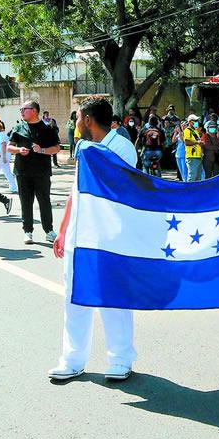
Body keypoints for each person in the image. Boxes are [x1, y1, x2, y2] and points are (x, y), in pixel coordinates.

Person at [48, 98, 139, 382]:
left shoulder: (120, 147)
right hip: (80, 235)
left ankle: (121, 358)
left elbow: (120, 191)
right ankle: (72, 359)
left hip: (110, 238)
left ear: (87, 120)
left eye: (77, 118)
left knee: (113, 297)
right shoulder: (85, 149)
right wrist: (64, 229)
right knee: (74, 296)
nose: (75, 124)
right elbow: (76, 192)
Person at [8, 100, 61, 244]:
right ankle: (28, 231)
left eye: (24, 109)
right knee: (25, 202)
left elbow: (57, 148)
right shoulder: (18, 127)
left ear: (34, 111)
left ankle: (49, 230)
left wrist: (42, 150)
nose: (21, 111)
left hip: (42, 171)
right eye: (21, 109)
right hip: (22, 171)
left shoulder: (47, 128)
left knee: (44, 201)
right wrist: (18, 150)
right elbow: (9, 147)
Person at [0, 118, 18, 193]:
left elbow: (3, 145)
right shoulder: (3, 134)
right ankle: (13, 186)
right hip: (5, 156)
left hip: (3, 156)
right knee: (6, 172)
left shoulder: (1, 135)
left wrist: (3, 156)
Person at [182, 115, 205, 182]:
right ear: (189, 122)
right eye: (195, 121)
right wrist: (197, 142)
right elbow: (186, 142)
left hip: (198, 156)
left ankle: (195, 189)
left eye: (197, 120)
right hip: (192, 157)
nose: (196, 122)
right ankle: (188, 189)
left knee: (198, 177)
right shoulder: (187, 130)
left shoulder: (195, 131)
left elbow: (197, 142)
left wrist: (201, 143)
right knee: (192, 176)